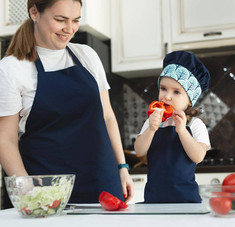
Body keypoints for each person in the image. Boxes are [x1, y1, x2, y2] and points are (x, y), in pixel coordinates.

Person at [0, 0, 134, 205]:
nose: (69, 28)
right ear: (34, 13)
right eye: (60, 19)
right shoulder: (11, 69)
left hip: (102, 183)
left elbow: (107, 117)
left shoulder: (87, 56)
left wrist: (122, 168)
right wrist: (27, 190)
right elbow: (5, 139)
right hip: (45, 191)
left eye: (75, 20)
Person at [134, 51, 211, 203]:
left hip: (187, 201)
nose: (167, 96)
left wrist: (182, 130)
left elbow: (198, 156)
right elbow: (139, 150)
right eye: (163, 88)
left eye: (176, 92)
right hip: (154, 200)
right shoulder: (152, 121)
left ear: (189, 100)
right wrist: (151, 128)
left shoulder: (194, 124)